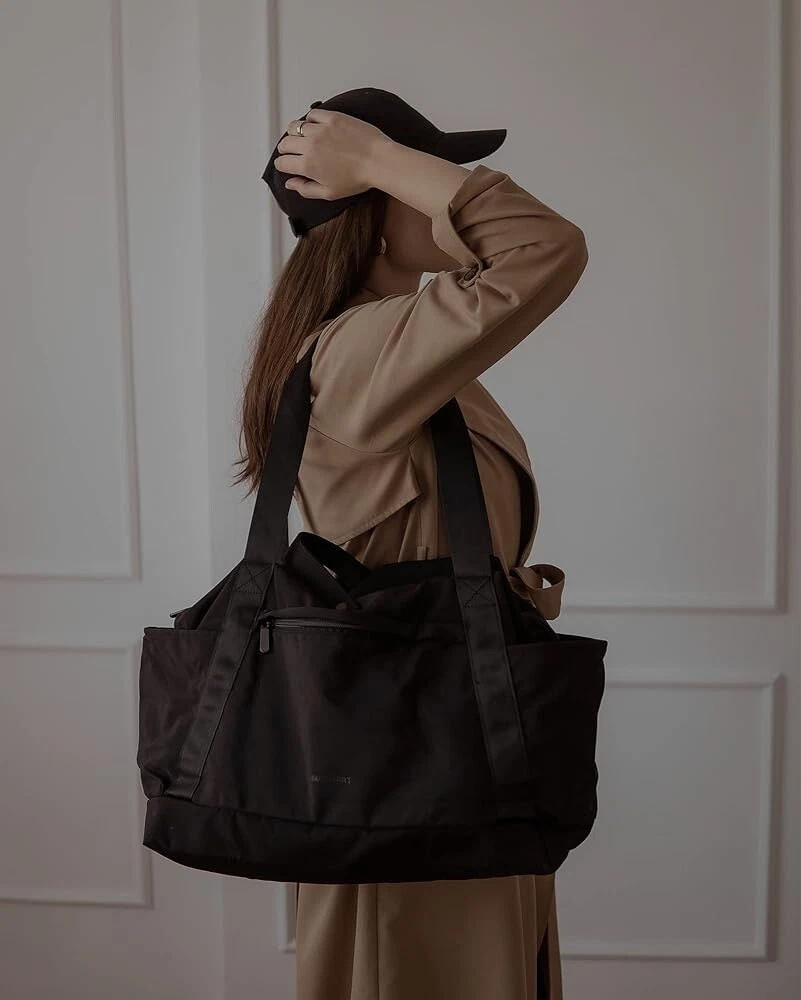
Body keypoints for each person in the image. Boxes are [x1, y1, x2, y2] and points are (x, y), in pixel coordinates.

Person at [236, 88, 588, 1000]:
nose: (445, 190)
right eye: (425, 174)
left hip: (429, 734)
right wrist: (377, 160)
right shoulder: (361, 351)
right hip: (416, 755)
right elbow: (544, 247)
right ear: (372, 209)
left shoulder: (387, 341)